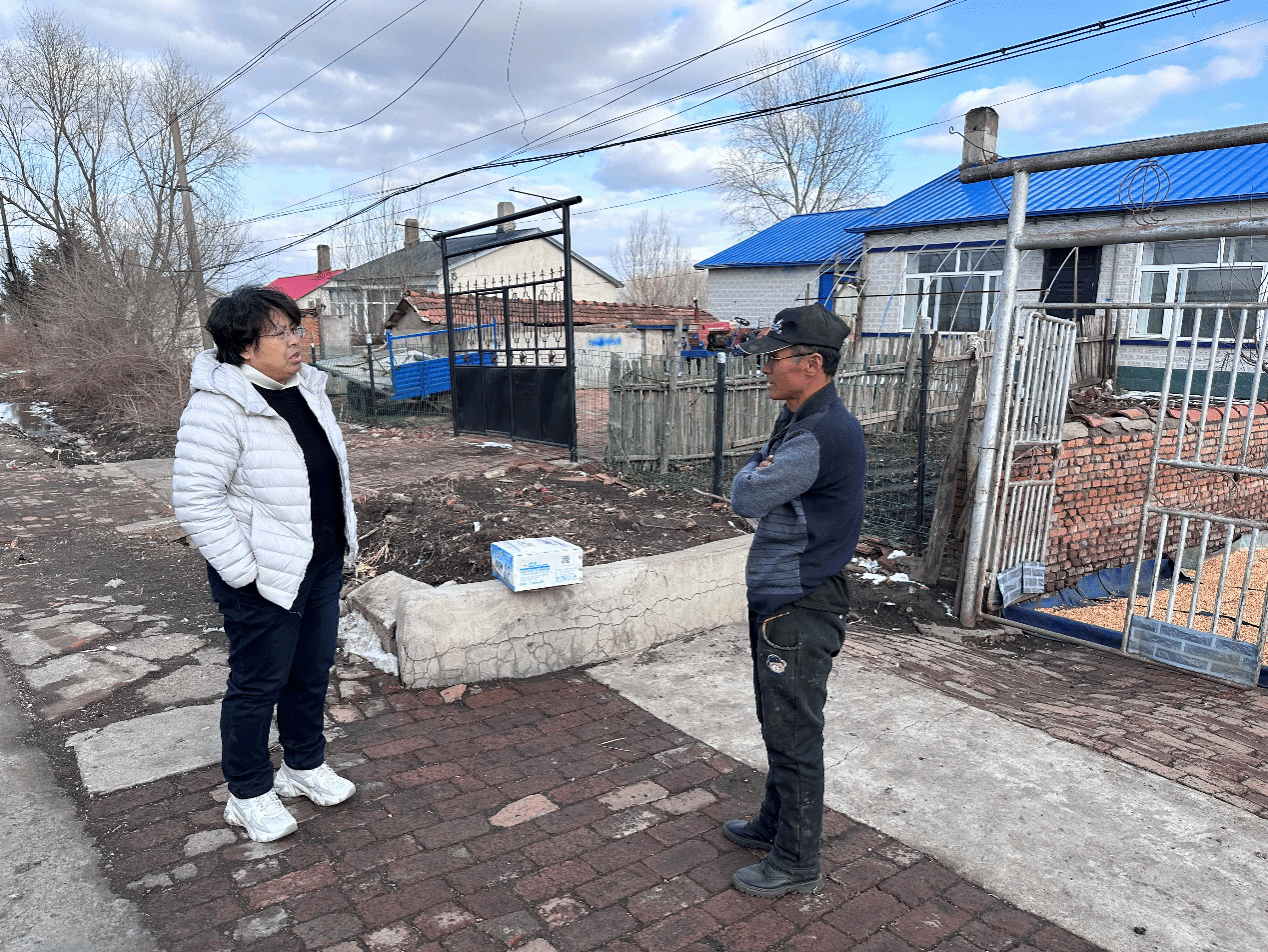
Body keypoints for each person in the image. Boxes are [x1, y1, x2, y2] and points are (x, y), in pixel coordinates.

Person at [173, 286, 360, 843]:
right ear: (244, 348)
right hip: (262, 575)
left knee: (311, 672)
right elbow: (196, 499)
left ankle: (303, 765)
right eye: (279, 333)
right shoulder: (218, 406)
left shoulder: (308, 389)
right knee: (257, 685)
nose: (296, 340)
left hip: (319, 562)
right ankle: (248, 792)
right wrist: (244, 571)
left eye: (295, 328)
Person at [725, 302, 865, 897]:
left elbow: (746, 496)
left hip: (801, 605)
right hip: (785, 598)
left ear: (810, 364)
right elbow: (758, 478)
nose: (764, 369)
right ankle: (773, 825)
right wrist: (760, 466)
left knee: (795, 735)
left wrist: (755, 470)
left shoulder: (819, 433)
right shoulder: (799, 419)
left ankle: (795, 860)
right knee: (776, 721)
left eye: (773, 358)